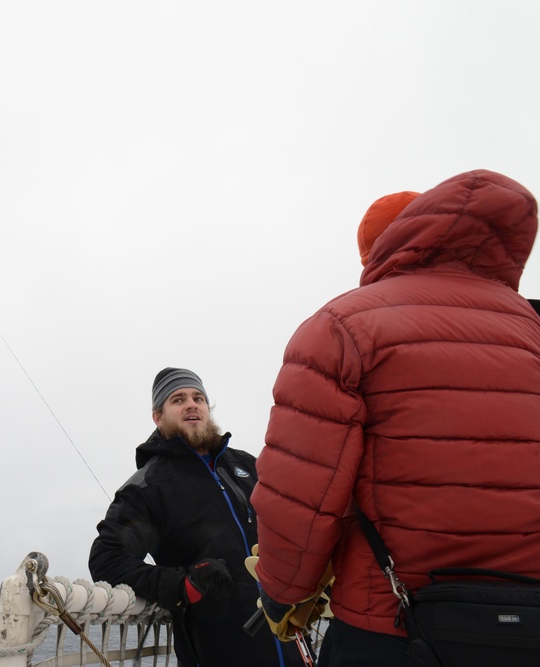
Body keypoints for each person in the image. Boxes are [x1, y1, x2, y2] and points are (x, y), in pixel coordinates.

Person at [251, 169, 540, 666]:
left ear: (377, 253)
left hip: (389, 628)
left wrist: (284, 593)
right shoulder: (531, 328)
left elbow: (301, 491)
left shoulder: (342, 327)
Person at [89, 367, 304, 667]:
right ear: (158, 416)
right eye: (177, 399)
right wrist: (181, 585)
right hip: (216, 653)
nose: (192, 404)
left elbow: (292, 528)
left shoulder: (248, 466)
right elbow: (106, 558)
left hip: (291, 644)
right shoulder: (147, 487)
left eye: (198, 397)